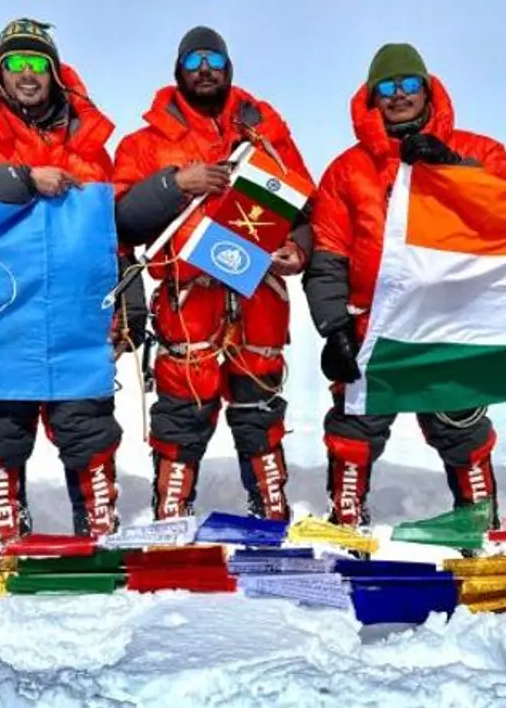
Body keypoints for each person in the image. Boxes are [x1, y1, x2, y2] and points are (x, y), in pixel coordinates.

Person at [0, 18, 141, 540]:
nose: (27, 73)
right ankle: (6, 524)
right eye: (15, 63)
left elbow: (111, 236)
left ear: (55, 73)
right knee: (1, 426)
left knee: (86, 424)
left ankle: (98, 528)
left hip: (75, 313)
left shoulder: (91, 148)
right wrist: (20, 180)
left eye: (37, 63)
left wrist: (131, 306)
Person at [303, 43, 506, 530]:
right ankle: (345, 521)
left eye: (408, 85)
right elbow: (329, 255)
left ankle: (480, 523)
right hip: (375, 321)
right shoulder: (347, 170)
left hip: (451, 321)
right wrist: (333, 326)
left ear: (426, 90)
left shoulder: (479, 151)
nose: (399, 96)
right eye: (387, 87)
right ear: (371, 98)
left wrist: (451, 166)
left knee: (462, 425)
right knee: (354, 425)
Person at [112, 26, 314, 521]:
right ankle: (171, 510)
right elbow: (121, 220)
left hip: (260, 298)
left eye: (215, 60)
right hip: (188, 301)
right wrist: (175, 183)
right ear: (179, 70)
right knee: (182, 413)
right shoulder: (144, 144)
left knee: (261, 410)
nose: (205, 68)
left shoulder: (268, 135)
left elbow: (305, 208)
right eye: (195, 59)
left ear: (228, 69)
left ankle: (270, 507)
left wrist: (299, 247)